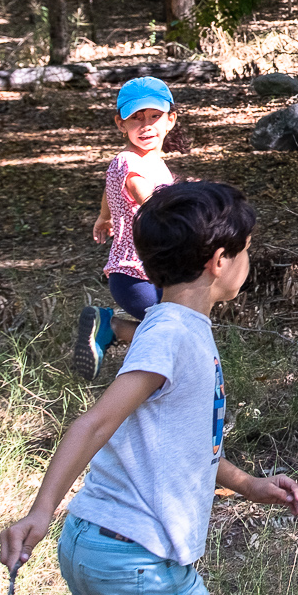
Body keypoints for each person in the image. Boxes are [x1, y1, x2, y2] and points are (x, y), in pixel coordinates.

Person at [0, 181, 298, 595]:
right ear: (219, 261)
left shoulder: (173, 326)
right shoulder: (170, 334)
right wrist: (39, 511)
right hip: (135, 554)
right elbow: (94, 423)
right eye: (248, 251)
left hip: (97, 545)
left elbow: (190, 446)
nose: (248, 261)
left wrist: (252, 485)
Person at [74, 78, 180, 380]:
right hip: (137, 275)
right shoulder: (130, 160)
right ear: (121, 123)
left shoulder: (150, 161)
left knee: (171, 329)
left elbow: (112, 188)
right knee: (171, 330)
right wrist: (177, 217)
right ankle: (112, 329)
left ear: (170, 120)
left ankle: (119, 339)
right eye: (136, 118)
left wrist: (104, 216)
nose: (146, 125)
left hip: (147, 270)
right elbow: (138, 191)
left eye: (154, 116)